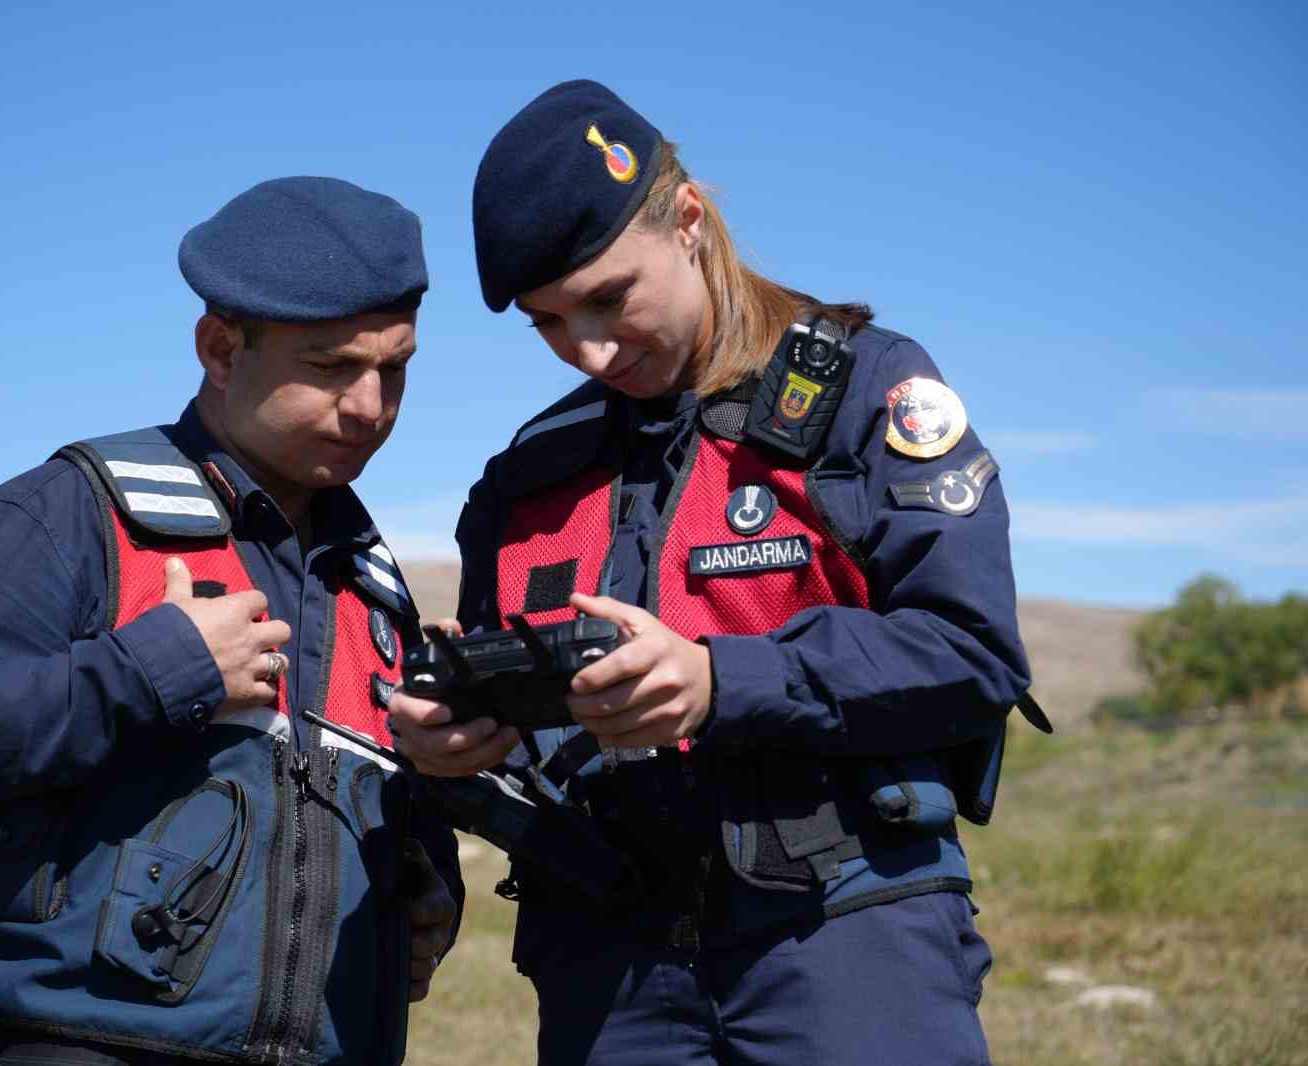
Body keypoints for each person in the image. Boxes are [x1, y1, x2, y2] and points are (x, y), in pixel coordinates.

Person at [388, 80, 1038, 1065]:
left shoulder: (867, 390)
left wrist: (716, 680)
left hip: (844, 941)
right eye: (549, 322)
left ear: (688, 220)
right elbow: (526, 735)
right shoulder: (523, 481)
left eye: (609, 298)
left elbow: (971, 651)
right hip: (608, 971)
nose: (590, 349)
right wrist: (467, 745)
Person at [0, 176, 461, 1066]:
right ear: (220, 348)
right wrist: (146, 672)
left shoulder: (374, 588)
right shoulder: (73, 514)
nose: (371, 406)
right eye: (331, 366)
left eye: (394, 367)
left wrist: (426, 870)